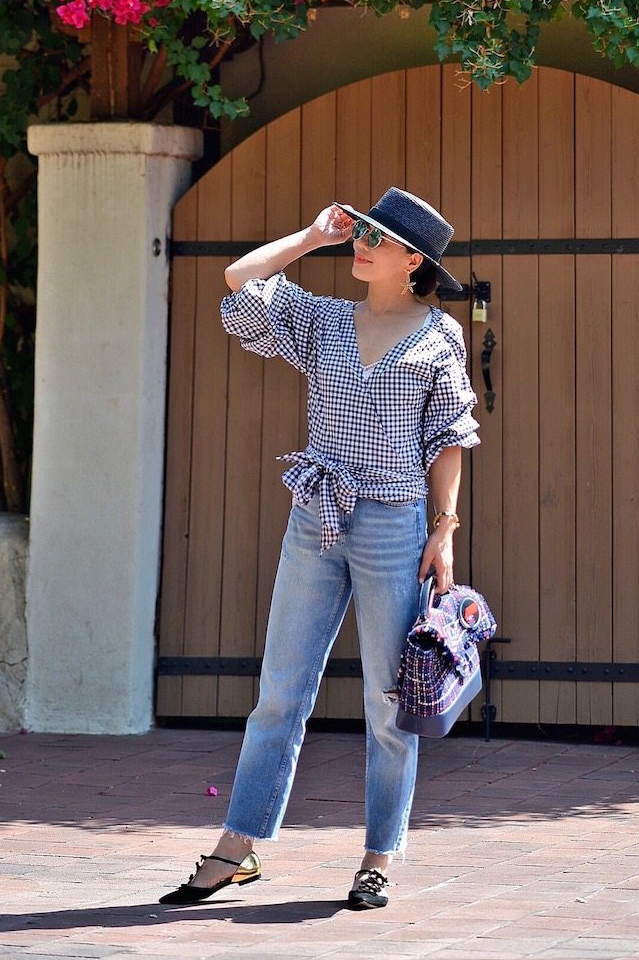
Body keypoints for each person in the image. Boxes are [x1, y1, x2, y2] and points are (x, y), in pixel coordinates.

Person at [159, 187, 479, 911]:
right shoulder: (325, 320)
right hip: (315, 513)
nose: (361, 243)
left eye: (375, 237)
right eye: (360, 230)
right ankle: (236, 849)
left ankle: (377, 858)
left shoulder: (439, 338)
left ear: (413, 261)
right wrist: (311, 236)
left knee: (388, 700)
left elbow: (451, 437)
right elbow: (240, 281)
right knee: (279, 691)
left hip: (395, 526)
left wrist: (445, 528)